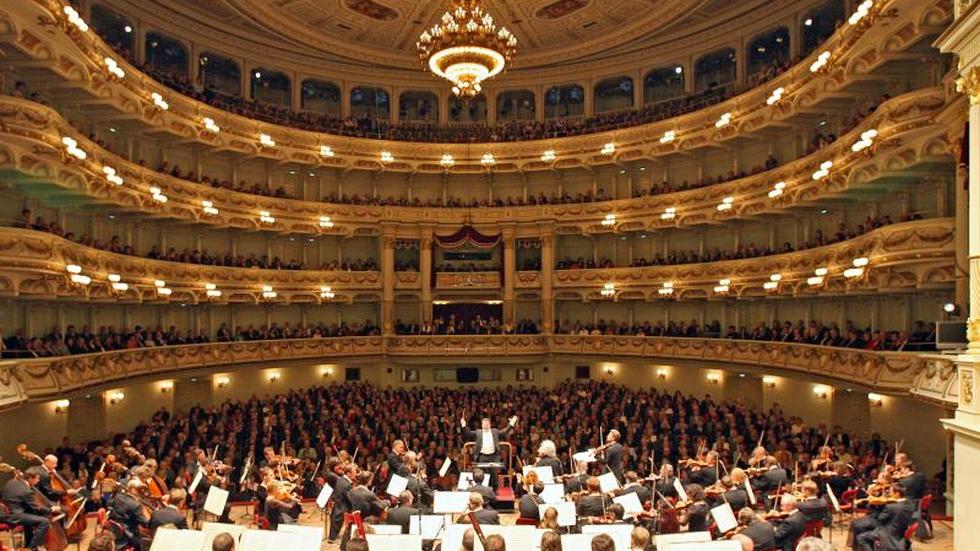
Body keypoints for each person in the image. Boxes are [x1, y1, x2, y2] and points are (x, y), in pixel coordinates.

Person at [1, 467, 61, 551]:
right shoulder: (26, 490)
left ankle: (28, 543)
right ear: (30, 478)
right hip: (14, 516)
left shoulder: (10, 482)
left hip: (4, 514)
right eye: (37, 478)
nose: (38, 481)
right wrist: (51, 509)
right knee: (44, 522)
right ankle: (31, 548)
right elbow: (37, 508)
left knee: (29, 518)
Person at [461, 414, 517, 489]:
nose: (486, 425)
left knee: (494, 474)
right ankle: (483, 489)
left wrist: (512, 423)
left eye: (487, 424)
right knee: (481, 474)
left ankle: (494, 490)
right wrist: (464, 425)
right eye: (484, 424)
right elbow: (468, 433)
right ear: (482, 425)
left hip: (493, 456)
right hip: (482, 456)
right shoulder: (478, 432)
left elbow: (504, 432)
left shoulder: (495, 431)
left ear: (490, 425)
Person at [854, 485, 915, 551]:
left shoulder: (892, 507)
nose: (889, 494)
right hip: (901, 532)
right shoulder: (910, 505)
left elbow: (880, 519)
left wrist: (874, 505)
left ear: (897, 493)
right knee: (863, 526)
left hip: (888, 533)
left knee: (860, 538)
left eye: (891, 492)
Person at [109, 478, 150, 551]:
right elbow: (146, 524)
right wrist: (145, 511)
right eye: (140, 490)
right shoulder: (135, 505)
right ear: (133, 490)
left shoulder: (118, 497)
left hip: (117, 530)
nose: (142, 493)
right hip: (129, 535)